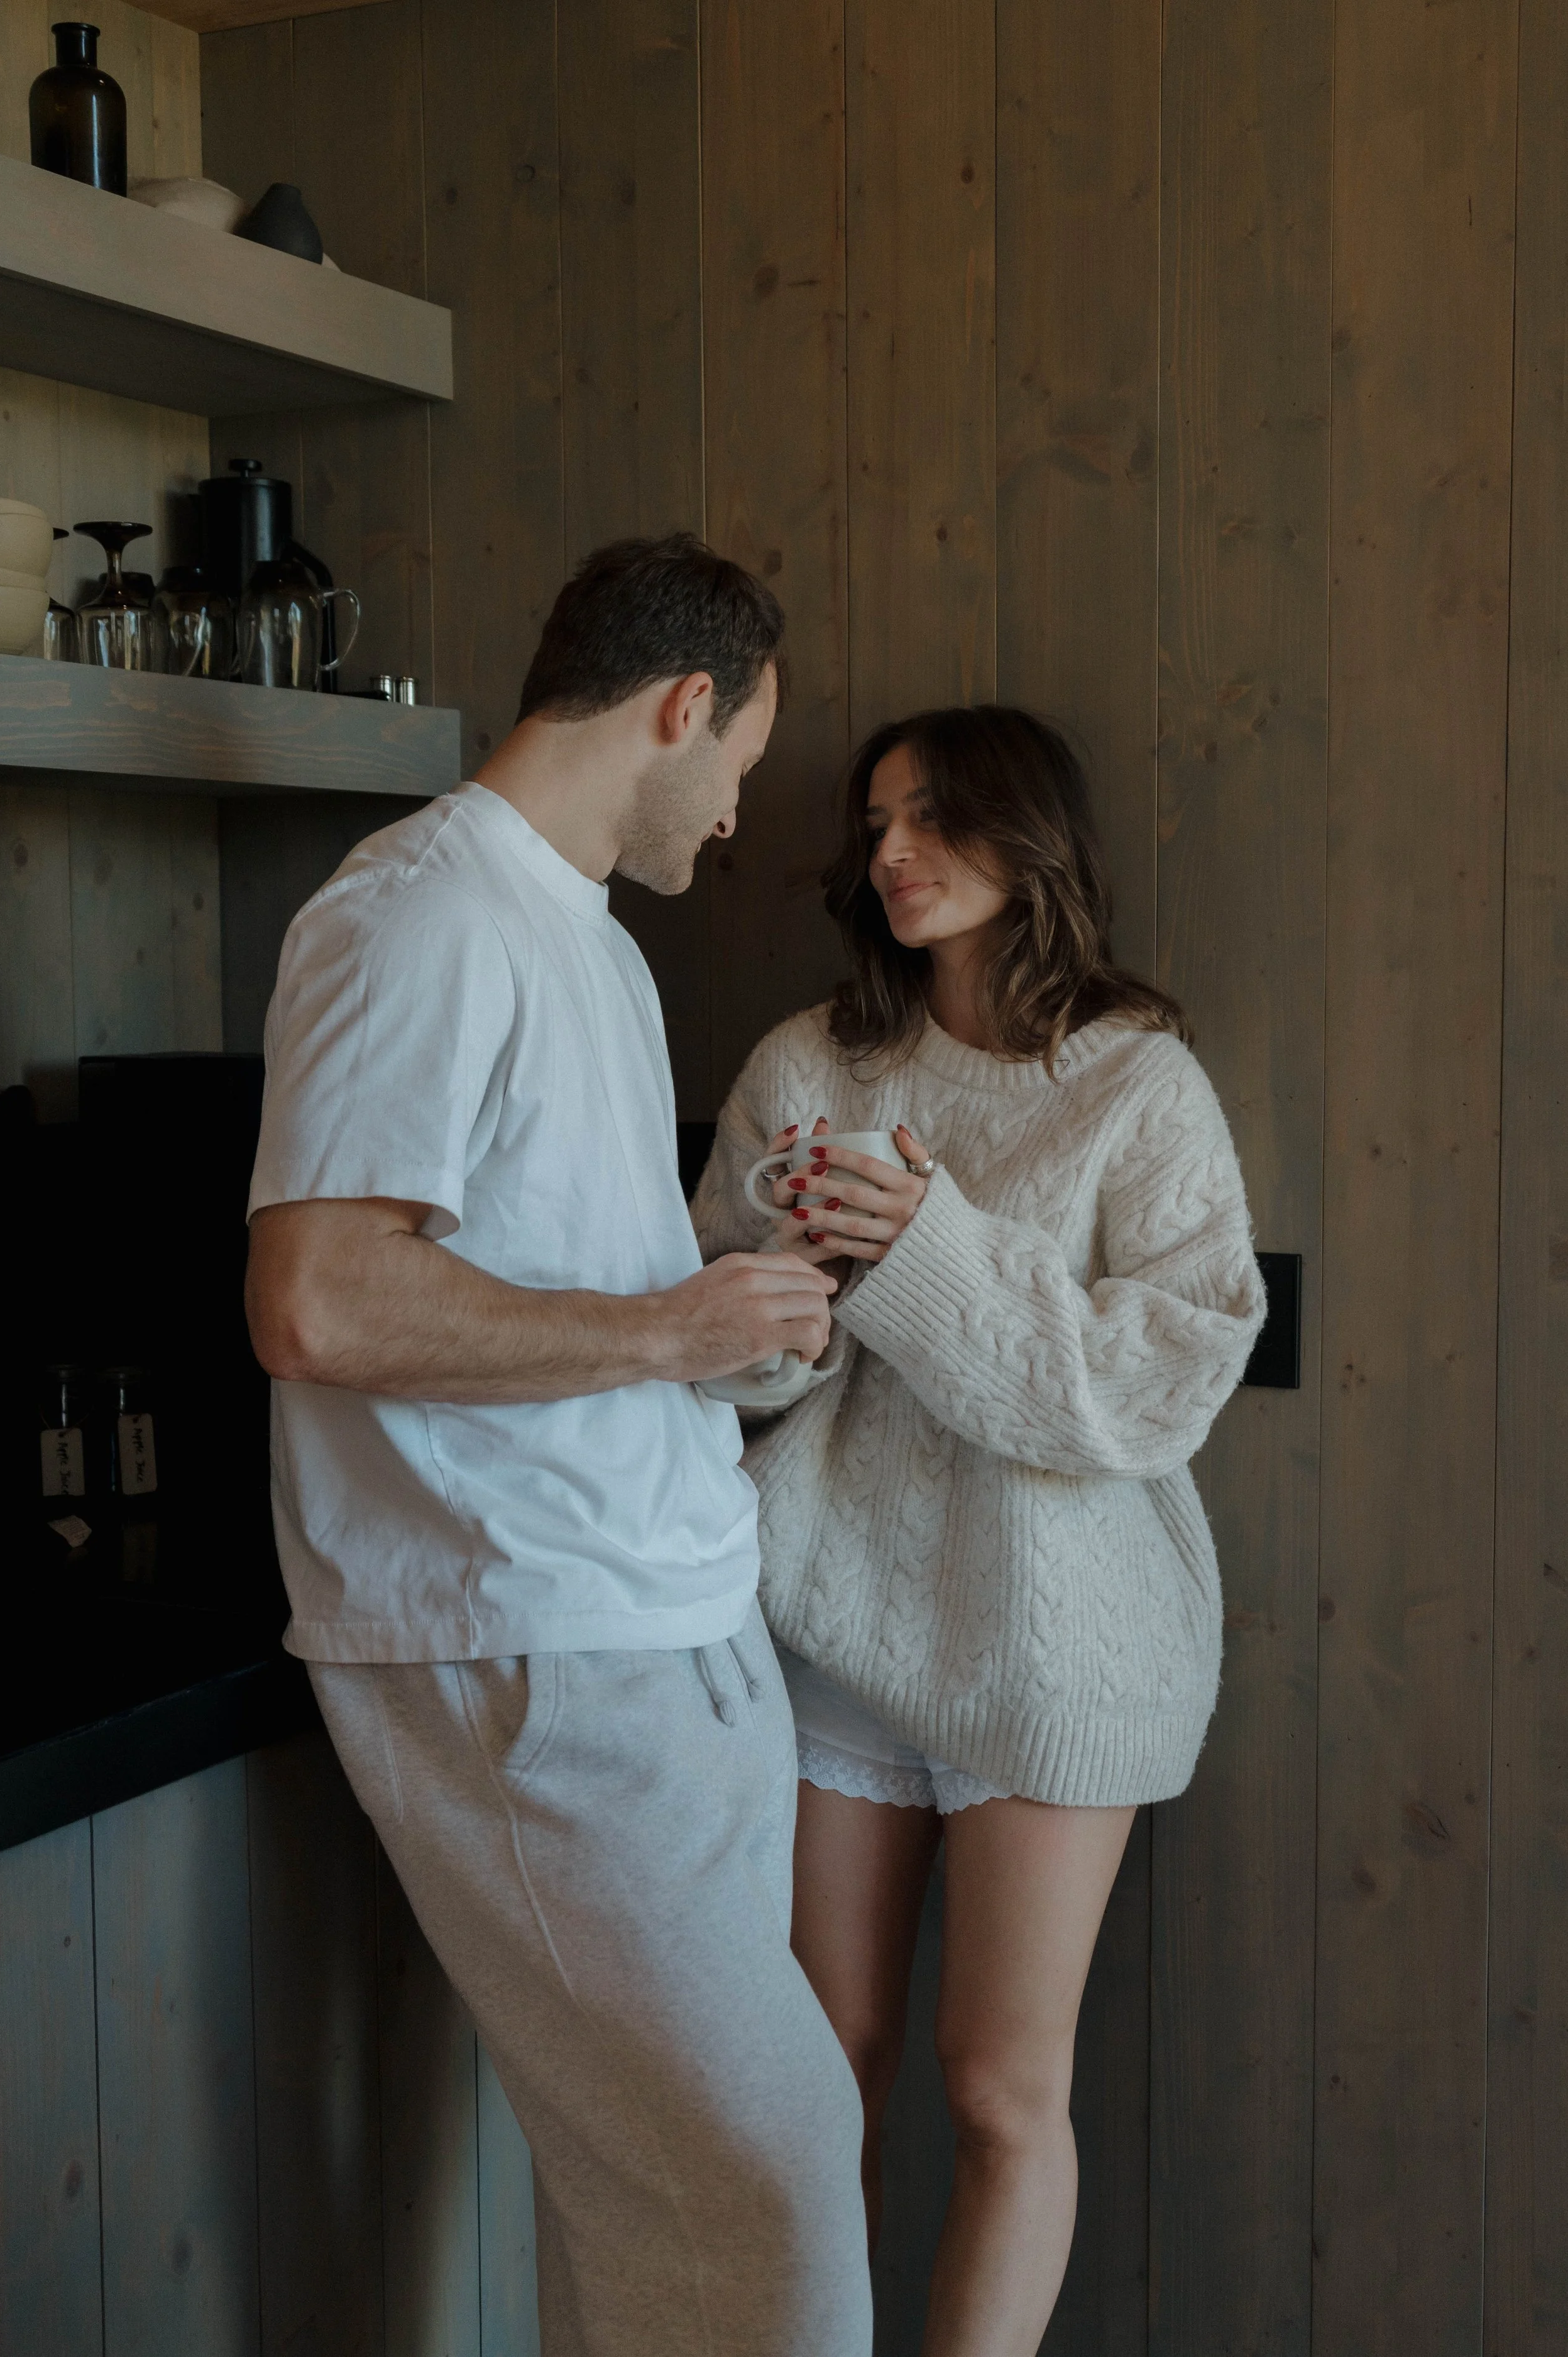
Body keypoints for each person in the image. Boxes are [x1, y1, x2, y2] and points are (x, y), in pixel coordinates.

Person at [243, 534, 873, 2357]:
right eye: (741, 765)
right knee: (766, 2179)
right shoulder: (418, 914)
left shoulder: (579, 938)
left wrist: (723, 1266)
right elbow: (319, 1299)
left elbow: (524, 1274)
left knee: (664, 2216)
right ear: (681, 706)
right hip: (528, 1643)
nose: (738, 814)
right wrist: (667, 1327)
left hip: (663, 1633)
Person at [690, 705, 1265, 2354]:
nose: (890, 854)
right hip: (835, 1627)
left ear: (1032, 842)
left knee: (1003, 2090)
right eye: (876, 822)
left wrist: (931, 1244)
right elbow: (715, 1375)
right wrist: (795, 1296)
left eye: (933, 817)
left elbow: (1152, 1389)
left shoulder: (1139, 1080)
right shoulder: (807, 1066)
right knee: (813, 2071)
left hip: (1054, 1649)